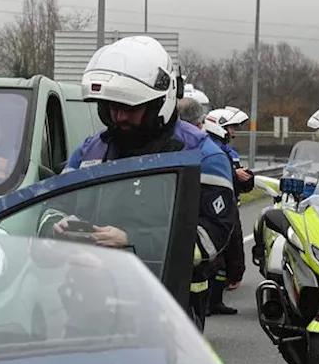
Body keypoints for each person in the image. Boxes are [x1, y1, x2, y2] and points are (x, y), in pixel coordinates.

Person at [43, 36, 238, 331]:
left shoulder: (201, 154)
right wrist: (59, 225)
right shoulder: (90, 151)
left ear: (161, 101)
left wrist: (133, 240)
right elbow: (47, 209)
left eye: (129, 108)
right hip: (88, 305)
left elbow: (213, 236)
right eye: (111, 106)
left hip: (168, 308)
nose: (118, 116)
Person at [203, 106, 255, 315]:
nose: (233, 132)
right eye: (231, 127)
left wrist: (246, 178)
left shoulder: (228, 152)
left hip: (230, 207)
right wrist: (235, 175)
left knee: (226, 256)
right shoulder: (210, 150)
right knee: (215, 257)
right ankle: (207, 303)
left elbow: (238, 182)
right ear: (219, 127)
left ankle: (216, 301)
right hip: (215, 210)